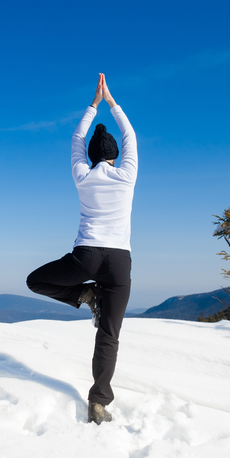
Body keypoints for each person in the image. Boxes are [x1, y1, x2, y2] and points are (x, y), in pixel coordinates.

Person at [26, 73, 137, 425]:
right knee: (109, 334)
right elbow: (130, 134)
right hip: (119, 261)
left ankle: (85, 296)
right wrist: (111, 102)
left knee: (36, 281)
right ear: (116, 155)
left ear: (90, 155)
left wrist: (93, 104)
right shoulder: (127, 174)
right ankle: (99, 402)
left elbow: (76, 137)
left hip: (86, 256)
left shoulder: (82, 175)